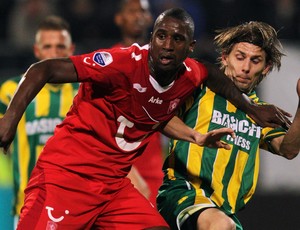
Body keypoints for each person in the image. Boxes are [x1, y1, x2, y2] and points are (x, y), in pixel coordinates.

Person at [0, 8, 290, 229]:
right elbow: (43, 69)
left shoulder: (189, 74)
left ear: (189, 49)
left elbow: (210, 76)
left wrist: (244, 112)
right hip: (67, 178)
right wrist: (9, 121)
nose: (167, 45)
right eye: (161, 36)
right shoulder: (120, 64)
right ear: (152, 38)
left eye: (177, 39)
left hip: (112, 188)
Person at [156, 21, 300, 230]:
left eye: (255, 60)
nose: (246, 67)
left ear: (266, 68)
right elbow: (162, 117)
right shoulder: (200, 89)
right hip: (183, 194)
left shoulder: (262, 113)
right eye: (240, 57)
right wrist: (196, 136)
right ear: (224, 57)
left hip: (225, 212)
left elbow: (288, 149)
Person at [0, 15, 78, 228]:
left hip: (77, 204)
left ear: (71, 49)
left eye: (60, 46)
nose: (54, 53)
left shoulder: (85, 91)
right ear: (37, 50)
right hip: (27, 205)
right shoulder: (10, 91)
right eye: (48, 46)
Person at [113, 0, 165, 206]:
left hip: (153, 170)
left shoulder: (165, 64)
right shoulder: (109, 61)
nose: (137, 16)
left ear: (150, 18)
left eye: (142, 11)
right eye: (131, 11)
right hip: (117, 167)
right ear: (119, 18)